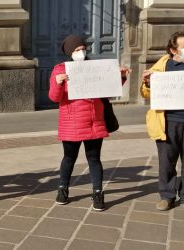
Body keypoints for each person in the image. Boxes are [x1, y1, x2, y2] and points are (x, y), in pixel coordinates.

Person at [49, 34, 128, 211]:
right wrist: (58, 82)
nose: (81, 52)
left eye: (83, 49)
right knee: (69, 158)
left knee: (94, 159)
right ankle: (63, 189)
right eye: (77, 50)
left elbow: (108, 92)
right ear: (70, 52)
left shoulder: (95, 68)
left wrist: (121, 77)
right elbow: (54, 97)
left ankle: (98, 193)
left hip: (94, 121)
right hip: (72, 123)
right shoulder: (60, 69)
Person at [141, 31, 184, 213]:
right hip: (168, 123)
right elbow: (146, 94)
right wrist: (147, 83)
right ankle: (167, 197)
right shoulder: (162, 66)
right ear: (173, 49)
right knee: (166, 162)